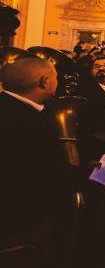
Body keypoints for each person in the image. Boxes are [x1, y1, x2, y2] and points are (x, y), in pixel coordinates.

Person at [0, 57, 78, 267]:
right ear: (44, 81)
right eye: (56, 77)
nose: (58, 81)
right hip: (24, 223)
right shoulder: (28, 121)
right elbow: (44, 171)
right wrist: (88, 176)